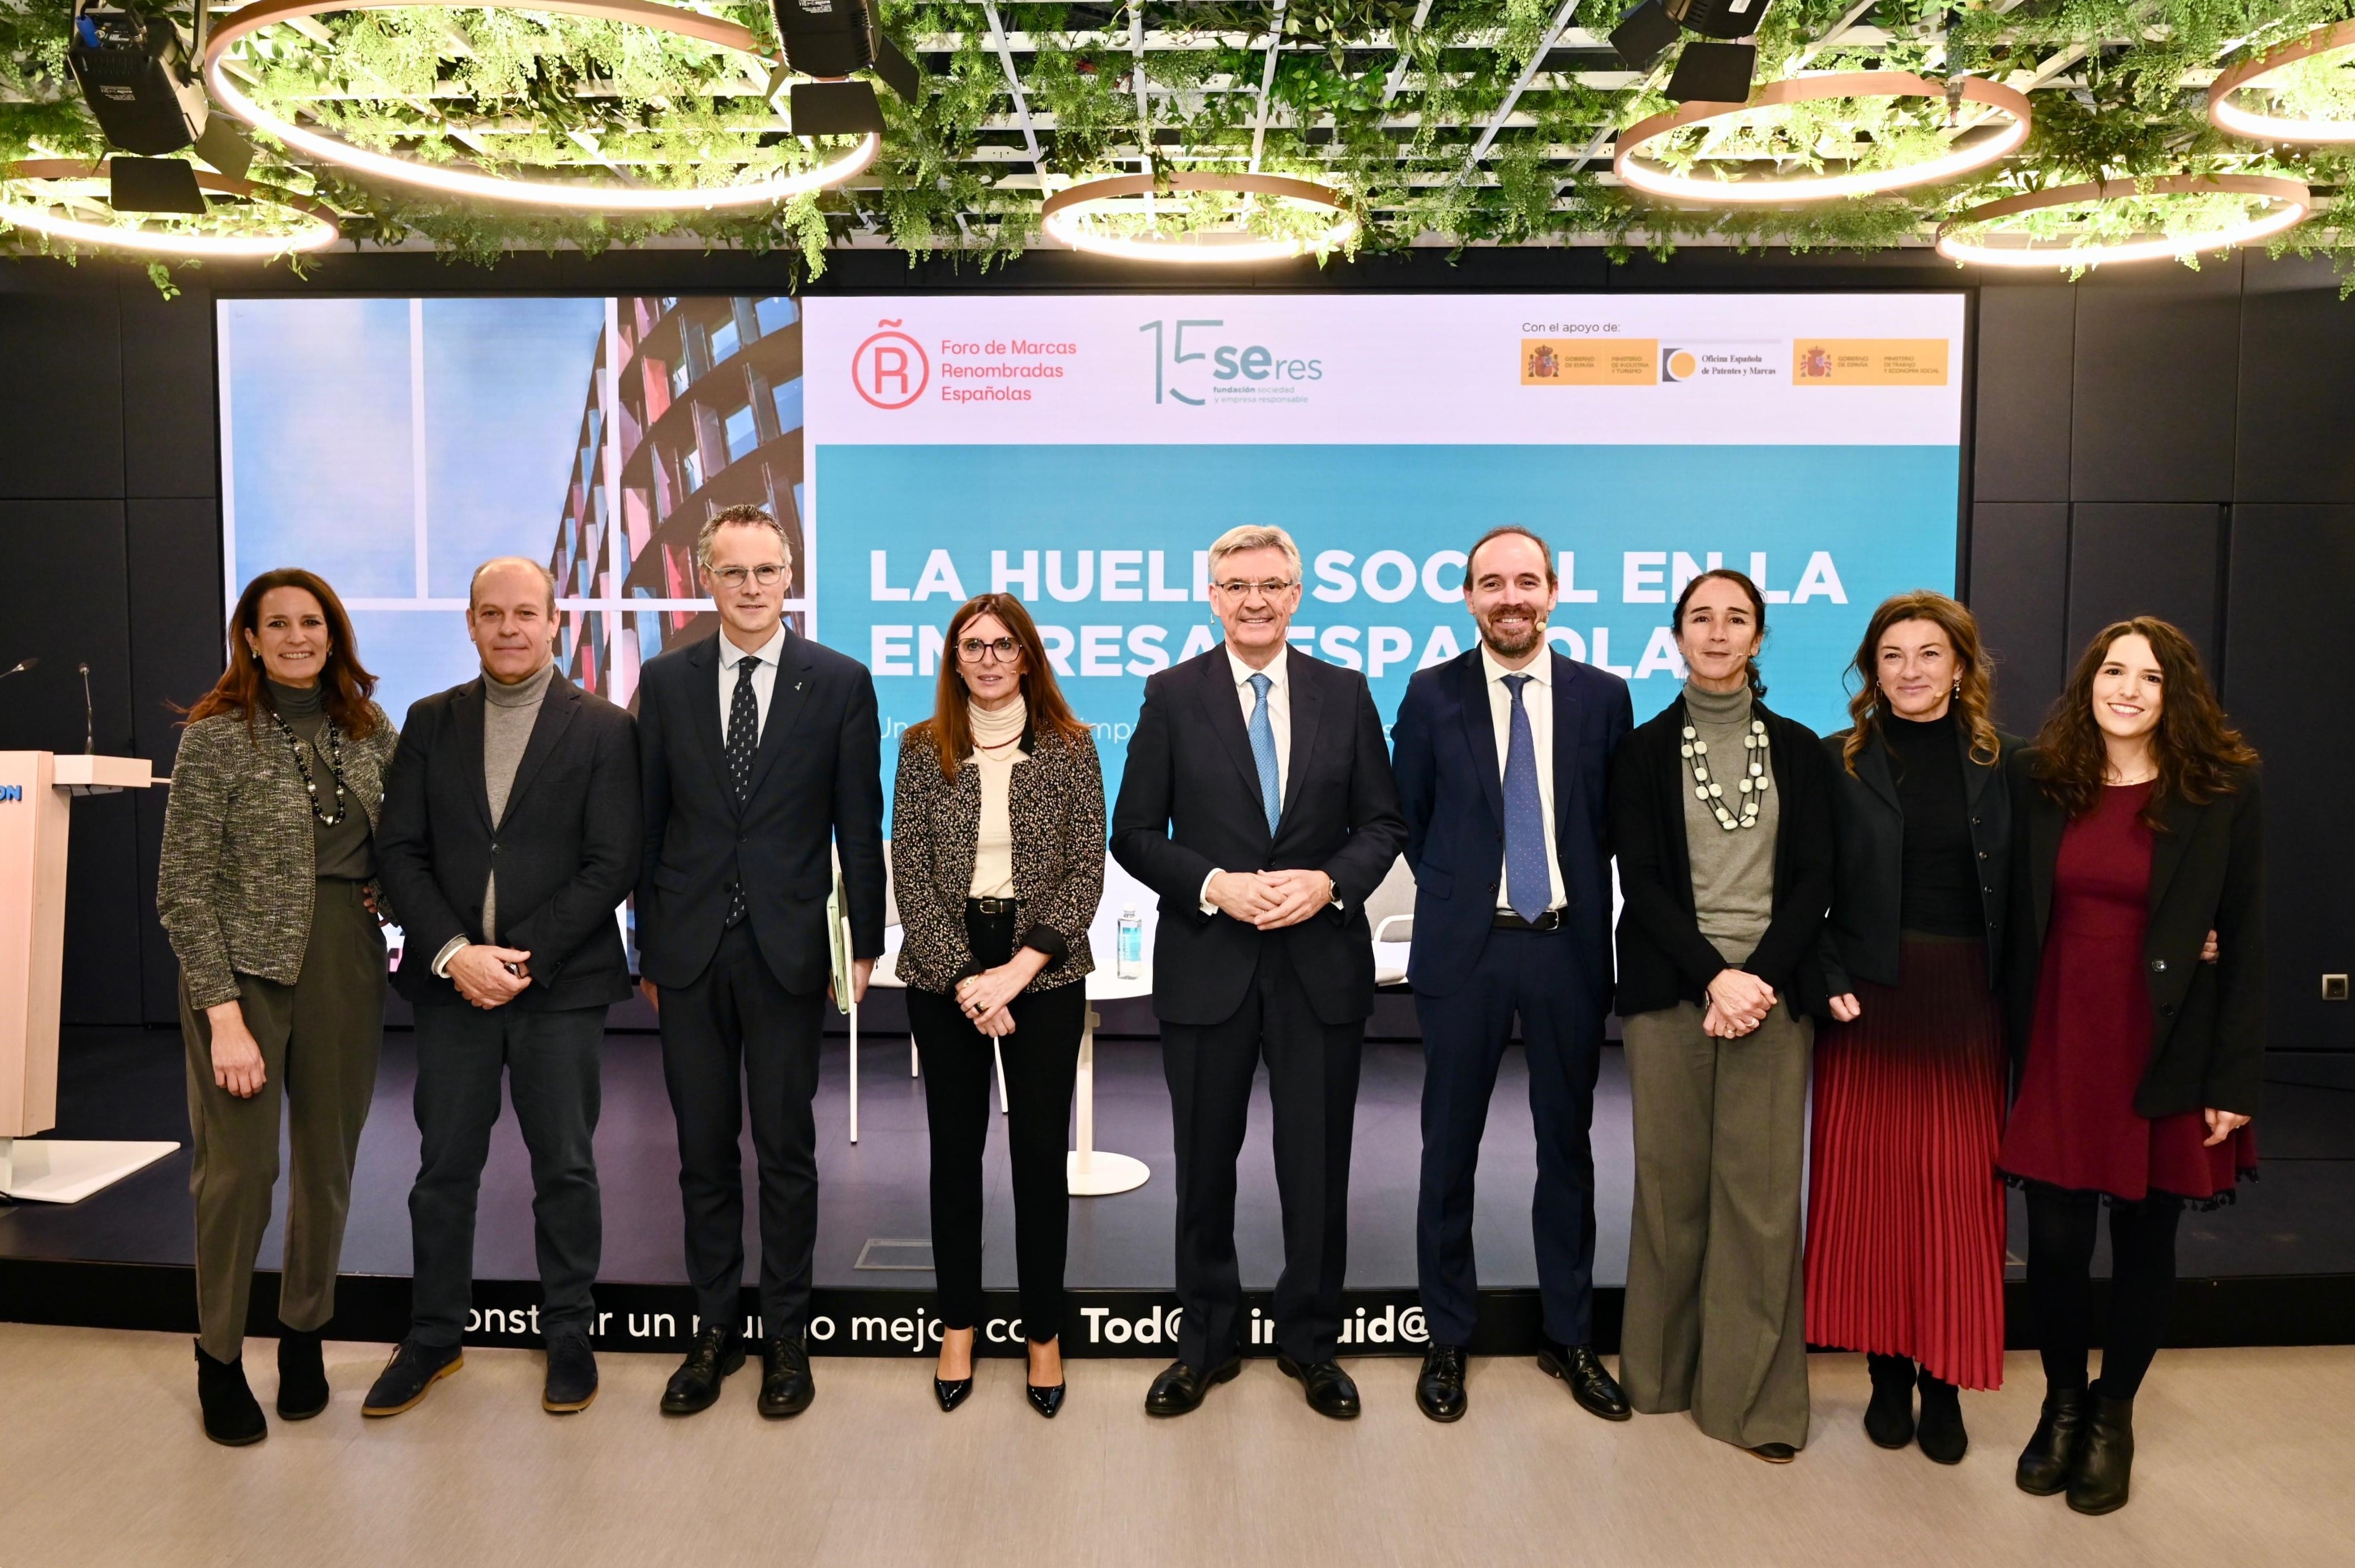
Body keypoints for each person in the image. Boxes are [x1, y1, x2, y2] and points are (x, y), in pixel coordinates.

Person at [1111, 524, 1405, 1420]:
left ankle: (1312, 1345)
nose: (1255, 600)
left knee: (1316, 1167)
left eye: (1272, 584)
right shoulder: (1171, 694)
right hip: (1210, 964)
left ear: (1298, 592)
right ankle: (1203, 1343)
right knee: (1204, 1166)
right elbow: (1134, 832)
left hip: (1320, 966)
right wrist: (1213, 885)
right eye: (1236, 585)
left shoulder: (1345, 693)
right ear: (1211, 595)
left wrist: (1328, 883)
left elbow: (1383, 827)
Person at [364, 558, 642, 1419]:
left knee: (566, 1165)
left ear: (555, 622)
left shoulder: (602, 726)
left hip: (558, 986)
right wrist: (455, 953)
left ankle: (569, 1332)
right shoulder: (429, 720)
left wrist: (518, 960)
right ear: (472, 624)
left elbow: (612, 862)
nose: (510, 628)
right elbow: (399, 851)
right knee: (444, 1168)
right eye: (493, 614)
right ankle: (434, 1336)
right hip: (452, 989)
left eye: (527, 613)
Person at [1999, 617, 2260, 1516]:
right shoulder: (2041, 777)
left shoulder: (2221, 789)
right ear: (2090, 682)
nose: (2128, 689)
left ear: (2174, 693)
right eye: (2115, 670)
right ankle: (2063, 1402)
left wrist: (2233, 1082)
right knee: (2061, 1244)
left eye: (2151, 677)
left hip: (2165, 1046)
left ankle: (2114, 1415)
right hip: (2059, 1040)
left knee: (2147, 1242)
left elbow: (2251, 938)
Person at [636, 504, 886, 1419]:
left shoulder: (840, 682)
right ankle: (713, 1333)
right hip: (689, 954)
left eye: (767, 571)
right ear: (707, 580)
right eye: (733, 572)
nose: (751, 587)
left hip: (790, 954)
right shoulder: (663, 683)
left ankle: (787, 1335)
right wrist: (646, 946)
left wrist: (864, 942)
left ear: (791, 577)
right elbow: (647, 824)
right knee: (702, 1152)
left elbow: (860, 825)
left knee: (785, 1151)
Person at [1391, 526, 1632, 1425]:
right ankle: (1446, 1335)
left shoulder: (1604, 697)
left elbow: (1611, 820)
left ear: (1555, 591)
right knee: (1448, 1148)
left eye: (1525, 581)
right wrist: (1464, 895)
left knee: (1566, 1148)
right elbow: (1410, 817)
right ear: (1468, 597)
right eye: (1491, 583)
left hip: (1568, 949)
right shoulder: (1429, 694)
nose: (1510, 598)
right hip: (1468, 951)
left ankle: (1569, 1334)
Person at [157, 568, 399, 1446]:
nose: (298, 636)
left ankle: (304, 1337)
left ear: (332, 635)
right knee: (239, 1175)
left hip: (345, 961)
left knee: (327, 1169)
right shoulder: (217, 739)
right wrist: (223, 1014)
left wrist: (388, 896)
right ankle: (219, 1356)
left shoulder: (372, 731)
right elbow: (182, 889)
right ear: (250, 640)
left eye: (313, 622)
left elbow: (406, 844)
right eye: (278, 624)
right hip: (243, 974)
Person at [1608, 568, 1835, 1463]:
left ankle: (1752, 1404)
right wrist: (1714, 977)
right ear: (1676, 635)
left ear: (1759, 637)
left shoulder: (1803, 749)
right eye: (1700, 617)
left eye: (1735, 618)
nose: (1717, 631)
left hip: (1771, 998)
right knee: (1671, 1193)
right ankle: (1659, 1378)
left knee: (1763, 1201)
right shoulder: (1641, 750)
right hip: (1674, 992)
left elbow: (1818, 879)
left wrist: (1758, 980)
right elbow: (1644, 881)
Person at [1806, 592, 2016, 1462]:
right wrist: (1823, 973)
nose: (1911, 671)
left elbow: (2064, 881)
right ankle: (1887, 1375)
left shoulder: (2013, 765)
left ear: (1961, 666)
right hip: (1868, 997)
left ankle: (1946, 1381)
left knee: (1958, 1197)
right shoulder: (1836, 760)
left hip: (1967, 999)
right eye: (1892, 655)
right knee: (1870, 1197)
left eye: (1929, 654)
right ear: (1871, 668)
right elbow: (1799, 885)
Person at [891, 594, 1104, 1419]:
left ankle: (1043, 1333)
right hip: (946, 972)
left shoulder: (1072, 747)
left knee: (1039, 1161)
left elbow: (1084, 870)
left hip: (1042, 971)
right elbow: (909, 869)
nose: (986, 658)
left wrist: (1012, 974)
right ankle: (958, 1325)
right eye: (971, 645)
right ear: (953, 659)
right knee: (955, 1157)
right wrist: (964, 980)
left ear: (1028, 656)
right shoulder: (920, 749)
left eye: (1001, 644)